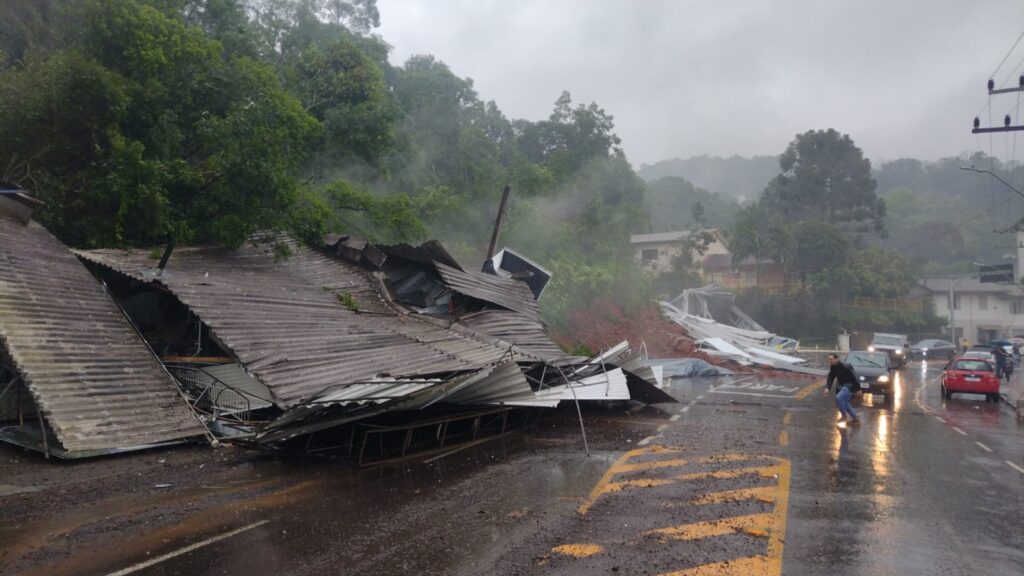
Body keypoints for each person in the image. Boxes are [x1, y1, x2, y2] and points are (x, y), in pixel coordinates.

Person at [824, 353, 861, 425]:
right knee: (845, 401)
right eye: (829, 360)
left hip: (851, 385)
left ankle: (844, 416)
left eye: (831, 359)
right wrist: (827, 388)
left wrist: (858, 389)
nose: (830, 361)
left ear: (836, 359)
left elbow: (855, 377)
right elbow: (831, 377)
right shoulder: (833, 367)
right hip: (844, 385)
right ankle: (855, 418)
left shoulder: (845, 366)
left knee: (839, 398)